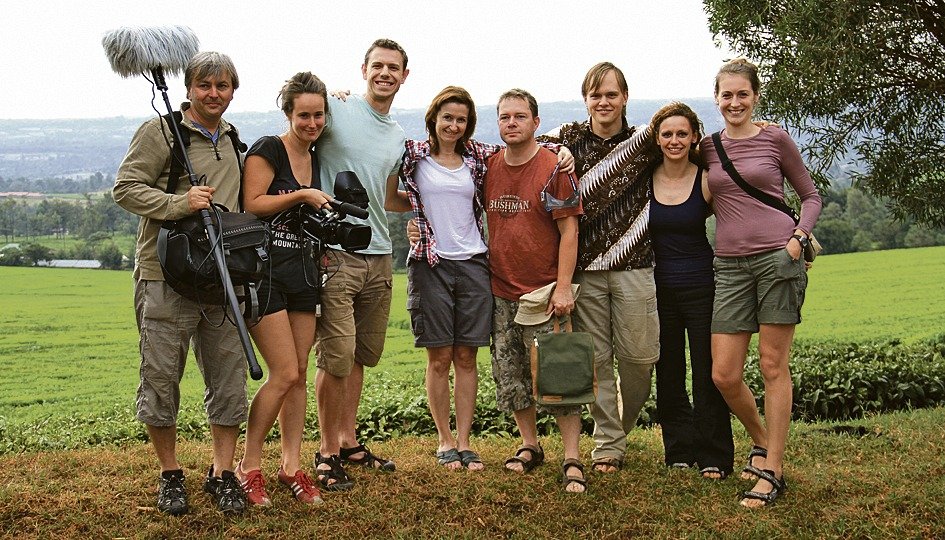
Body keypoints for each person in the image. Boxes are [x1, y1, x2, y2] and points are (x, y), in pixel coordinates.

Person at [390, 87, 574, 471]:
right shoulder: (413, 155)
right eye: (447, 118)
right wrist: (417, 219)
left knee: (469, 357)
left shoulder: (479, 157)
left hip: (475, 265)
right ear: (433, 120)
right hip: (431, 264)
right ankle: (446, 442)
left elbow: (527, 145)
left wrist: (561, 149)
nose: (453, 125)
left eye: (461, 119)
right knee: (442, 358)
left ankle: (466, 441)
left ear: (469, 125)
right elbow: (387, 186)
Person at [113, 51, 247, 515]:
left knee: (229, 379)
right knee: (161, 378)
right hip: (164, 276)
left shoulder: (233, 140)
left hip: (221, 279)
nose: (214, 94)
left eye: (223, 85)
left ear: (233, 90)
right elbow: (125, 188)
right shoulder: (160, 131)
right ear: (189, 87)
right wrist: (179, 202)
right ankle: (170, 474)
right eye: (204, 85)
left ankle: (222, 473)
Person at [701, 58, 822, 507]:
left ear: (755, 96)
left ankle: (772, 470)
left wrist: (797, 241)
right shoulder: (707, 147)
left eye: (742, 94)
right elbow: (659, 149)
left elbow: (810, 196)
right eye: (726, 95)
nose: (734, 102)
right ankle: (762, 442)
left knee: (773, 366)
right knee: (724, 373)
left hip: (778, 260)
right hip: (729, 266)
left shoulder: (775, 138)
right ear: (716, 99)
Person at [538, 62, 658, 474]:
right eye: (595, 95)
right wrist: (557, 150)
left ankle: (617, 428)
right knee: (599, 361)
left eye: (611, 94)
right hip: (585, 271)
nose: (603, 102)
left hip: (636, 266)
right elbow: (521, 142)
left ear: (625, 97)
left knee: (640, 360)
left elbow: (694, 139)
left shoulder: (646, 141)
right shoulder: (567, 137)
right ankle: (608, 446)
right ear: (585, 99)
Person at [312, 38, 407, 489]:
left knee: (361, 356)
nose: (385, 73)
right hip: (336, 253)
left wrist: (443, 196)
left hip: (380, 254)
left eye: (394, 68)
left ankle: (349, 440)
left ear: (405, 76)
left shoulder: (397, 135)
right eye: (378, 66)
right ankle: (327, 449)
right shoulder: (336, 108)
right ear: (364, 69)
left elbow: (388, 197)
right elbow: (299, 112)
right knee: (336, 356)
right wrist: (329, 97)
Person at [235, 72, 333, 506]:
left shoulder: (316, 153)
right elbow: (252, 203)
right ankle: (248, 465)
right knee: (285, 372)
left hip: (304, 273)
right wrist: (303, 195)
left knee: (298, 378)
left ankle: (292, 466)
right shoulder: (268, 149)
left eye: (319, 115)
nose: (311, 123)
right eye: (303, 115)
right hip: (264, 273)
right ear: (288, 113)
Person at [485, 89, 586, 493]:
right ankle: (530, 445)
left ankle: (572, 457)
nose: (512, 123)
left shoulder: (553, 167)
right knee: (511, 376)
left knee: (560, 374)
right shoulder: (490, 166)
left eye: (520, 116)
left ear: (536, 123)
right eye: (505, 117)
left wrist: (563, 288)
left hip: (544, 292)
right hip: (501, 289)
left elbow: (569, 230)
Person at [647, 102, 734, 479]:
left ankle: (714, 454)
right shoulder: (644, 177)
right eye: (667, 134)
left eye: (682, 133)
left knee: (707, 371)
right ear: (657, 139)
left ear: (694, 136)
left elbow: (741, 213)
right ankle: (678, 449)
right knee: (668, 371)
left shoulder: (706, 179)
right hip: (657, 289)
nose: (674, 140)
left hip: (702, 286)